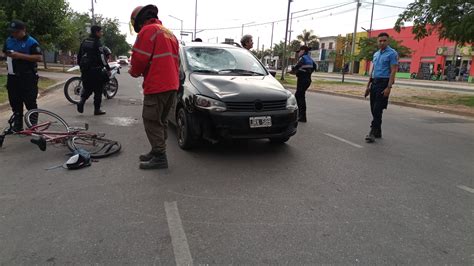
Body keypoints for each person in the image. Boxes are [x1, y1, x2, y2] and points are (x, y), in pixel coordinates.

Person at [128, 4, 180, 170]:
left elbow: (140, 59)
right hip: (171, 84)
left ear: (139, 21)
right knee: (161, 120)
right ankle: (157, 151)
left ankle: (160, 156)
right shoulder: (169, 33)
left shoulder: (148, 31)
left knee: (151, 120)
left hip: (158, 84)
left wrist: (133, 71)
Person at [2, 20, 42, 131]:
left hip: (28, 76)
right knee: (15, 100)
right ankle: (18, 124)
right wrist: (6, 55)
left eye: (16, 32)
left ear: (23, 30)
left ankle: (33, 125)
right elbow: (4, 52)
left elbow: (38, 57)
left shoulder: (31, 42)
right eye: (12, 32)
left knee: (30, 101)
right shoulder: (9, 40)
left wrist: (19, 55)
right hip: (13, 76)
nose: (14, 34)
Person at [364, 32, 398, 143]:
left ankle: (372, 132)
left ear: (388, 41)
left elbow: (393, 71)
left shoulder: (392, 53)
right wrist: (368, 86)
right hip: (374, 83)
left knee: (377, 109)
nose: (382, 42)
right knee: (373, 108)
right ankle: (378, 131)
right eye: (380, 40)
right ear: (377, 41)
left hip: (384, 83)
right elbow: (372, 71)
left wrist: (389, 87)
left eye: (384, 40)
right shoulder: (376, 54)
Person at [77, 25, 110, 115]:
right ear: (96, 32)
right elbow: (102, 57)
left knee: (87, 88)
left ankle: (81, 102)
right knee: (98, 90)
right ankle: (97, 109)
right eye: (101, 32)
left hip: (85, 70)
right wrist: (107, 68)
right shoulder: (97, 43)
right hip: (96, 70)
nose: (102, 33)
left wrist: (81, 66)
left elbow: (79, 55)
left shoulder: (84, 41)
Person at [292, 45, 316, 122]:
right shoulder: (310, 59)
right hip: (307, 79)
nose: (298, 53)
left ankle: (301, 116)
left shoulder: (302, 58)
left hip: (302, 80)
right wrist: (307, 72)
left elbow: (296, 67)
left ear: (302, 51)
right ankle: (302, 116)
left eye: (299, 52)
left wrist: (294, 70)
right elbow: (315, 67)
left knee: (299, 96)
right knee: (300, 96)